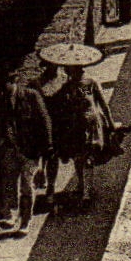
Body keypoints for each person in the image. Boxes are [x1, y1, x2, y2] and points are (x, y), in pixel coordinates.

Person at [44, 59, 115, 209]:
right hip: (76, 126)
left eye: (68, 69)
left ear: (77, 69)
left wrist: (111, 123)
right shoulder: (68, 86)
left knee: (88, 158)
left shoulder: (91, 82)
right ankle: (81, 185)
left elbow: (103, 104)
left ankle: (87, 194)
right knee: (77, 156)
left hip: (90, 125)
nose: (66, 71)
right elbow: (57, 101)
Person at [0, 81, 52, 237]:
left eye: (5, 84)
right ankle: (12, 214)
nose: (2, 89)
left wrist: (47, 148)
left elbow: (45, 121)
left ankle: (26, 221)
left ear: (13, 82)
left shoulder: (30, 96)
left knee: (27, 186)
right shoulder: (1, 99)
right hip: (10, 149)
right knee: (9, 183)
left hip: (30, 150)